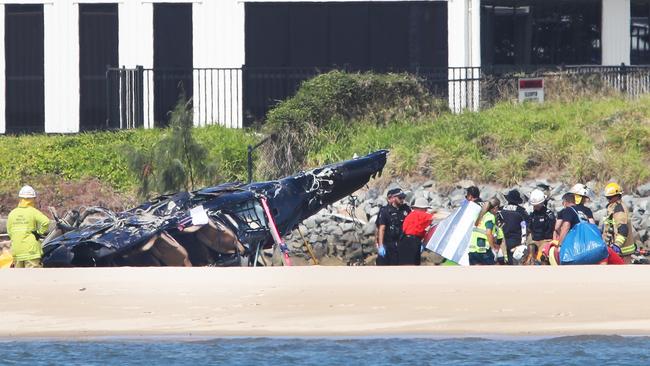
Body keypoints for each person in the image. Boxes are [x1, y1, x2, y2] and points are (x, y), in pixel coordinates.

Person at [7, 185, 50, 268]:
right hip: (31, 251)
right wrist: (38, 233)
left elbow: (10, 232)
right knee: (33, 278)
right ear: (32, 199)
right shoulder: (33, 211)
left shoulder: (12, 213)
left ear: (20, 198)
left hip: (17, 251)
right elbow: (46, 222)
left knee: (19, 278)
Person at [375, 188, 411, 265]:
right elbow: (381, 229)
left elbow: (411, 226)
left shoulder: (406, 209)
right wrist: (380, 245)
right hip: (387, 244)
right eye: (400, 198)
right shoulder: (385, 211)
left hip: (401, 244)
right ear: (393, 198)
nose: (402, 200)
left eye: (403, 198)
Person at [603, 182, 636, 263]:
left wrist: (616, 245)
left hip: (622, 251)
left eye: (610, 198)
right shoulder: (613, 207)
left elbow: (623, 229)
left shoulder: (619, 209)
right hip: (618, 250)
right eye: (607, 198)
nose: (608, 200)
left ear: (617, 196)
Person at [399, 198, 434, 265]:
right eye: (425, 208)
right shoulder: (421, 214)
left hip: (404, 240)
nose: (426, 210)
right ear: (420, 208)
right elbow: (436, 217)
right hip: (412, 242)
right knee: (413, 264)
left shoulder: (410, 215)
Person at [526, 189, 555, 265]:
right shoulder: (532, 215)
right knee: (530, 248)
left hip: (546, 240)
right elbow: (529, 228)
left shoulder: (548, 214)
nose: (535, 207)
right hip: (535, 240)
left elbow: (553, 228)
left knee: (542, 257)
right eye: (534, 205)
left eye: (537, 205)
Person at [499, 189, 529, 265]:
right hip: (515, 241)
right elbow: (526, 226)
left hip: (502, 241)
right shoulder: (521, 211)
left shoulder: (500, 209)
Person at [469, 197, 501, 265]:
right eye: (498, 208)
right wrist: (493, 248)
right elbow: (488, 233)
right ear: (495, 207)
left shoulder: (479, 215)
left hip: (472, 250)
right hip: (482, 250)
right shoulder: (490, 216)